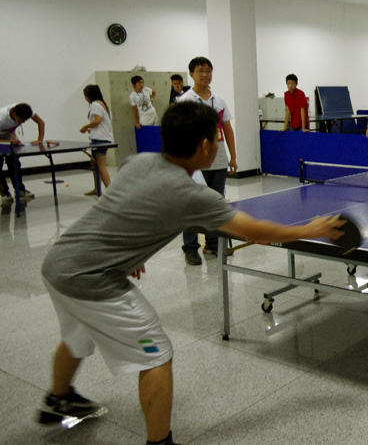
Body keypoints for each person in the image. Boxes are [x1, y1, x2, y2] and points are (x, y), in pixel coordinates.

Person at [37, 101, 343, 445]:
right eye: (216, 137)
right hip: (92, 279)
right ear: (204, 145)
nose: (218, 143)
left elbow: (125, 204)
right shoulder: (192, 195)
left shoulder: (138, 161)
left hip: (58, 263)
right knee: (156, 354)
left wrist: (128, 250)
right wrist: (310, 229)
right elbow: (254, 231)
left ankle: (58, 399)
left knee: (77, 336)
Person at [177, 57, 238, 265]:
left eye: (208, 70)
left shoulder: (219, 100)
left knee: (215, 204)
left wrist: (233, 156)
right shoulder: (185, 101)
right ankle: (190, 247)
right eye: (200, 70)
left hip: (218, 160)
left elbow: (227, 129)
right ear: (191, 74)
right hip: (194, 163)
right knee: (192, 205)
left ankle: (212, 244)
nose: (205, 74)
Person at [0, 102, 45, 204]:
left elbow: (41, 122)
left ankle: (20, 190)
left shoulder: (26, 110)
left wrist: (39, 139)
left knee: (14, 163)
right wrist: (9, 142)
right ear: (15, 115)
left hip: (8, 135)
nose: (24, 122)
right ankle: (5, 193)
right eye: (22, 119)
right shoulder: (1, 118)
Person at [79, 85, 114, 195]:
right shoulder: (103, 104)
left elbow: (98, 120)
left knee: (101, 165)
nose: (85, 98)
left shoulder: (95, 104)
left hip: (100, 140)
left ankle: (111, 192)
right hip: (100, 138)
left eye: (85, 96)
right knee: (94, 164)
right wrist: (91, 129)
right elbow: (101, 123)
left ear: (90, 96)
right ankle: (97, 188)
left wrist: (85, 127)